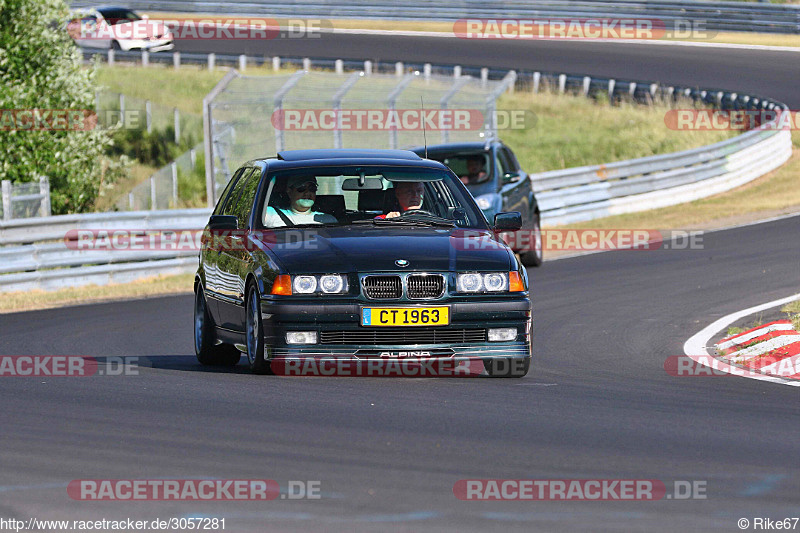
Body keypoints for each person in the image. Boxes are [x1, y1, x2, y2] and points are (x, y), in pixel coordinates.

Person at [263, 176, 337, 227]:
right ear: (289, 192)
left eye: (312, 189)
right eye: (301, 188)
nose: (307, 193)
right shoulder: (271, 213)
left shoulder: (328, 220)